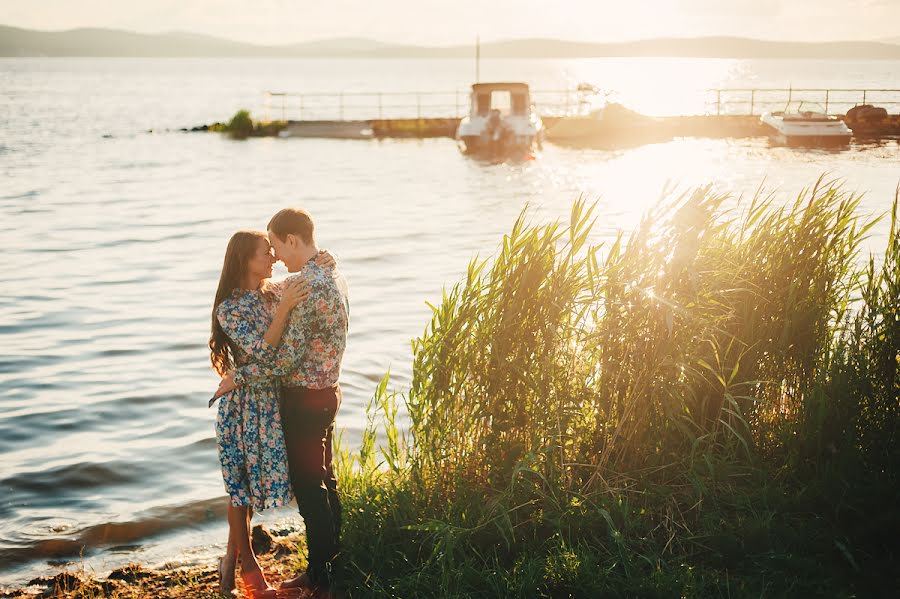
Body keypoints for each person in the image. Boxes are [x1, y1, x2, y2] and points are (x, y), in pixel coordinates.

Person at [217, 208, 349, 598]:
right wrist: (324, 260)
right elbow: (266, 349)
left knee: (312, 490)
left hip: (300, 399)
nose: (274, 255)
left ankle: (323, 578)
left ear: (292, 240)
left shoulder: (292, 288)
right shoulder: (307, 283)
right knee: (248, 487)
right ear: (245, 259)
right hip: (278, 402)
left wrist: (235, 377)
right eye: (266, 250)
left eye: (274, 245)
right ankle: (252, 566)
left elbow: (282, 360)